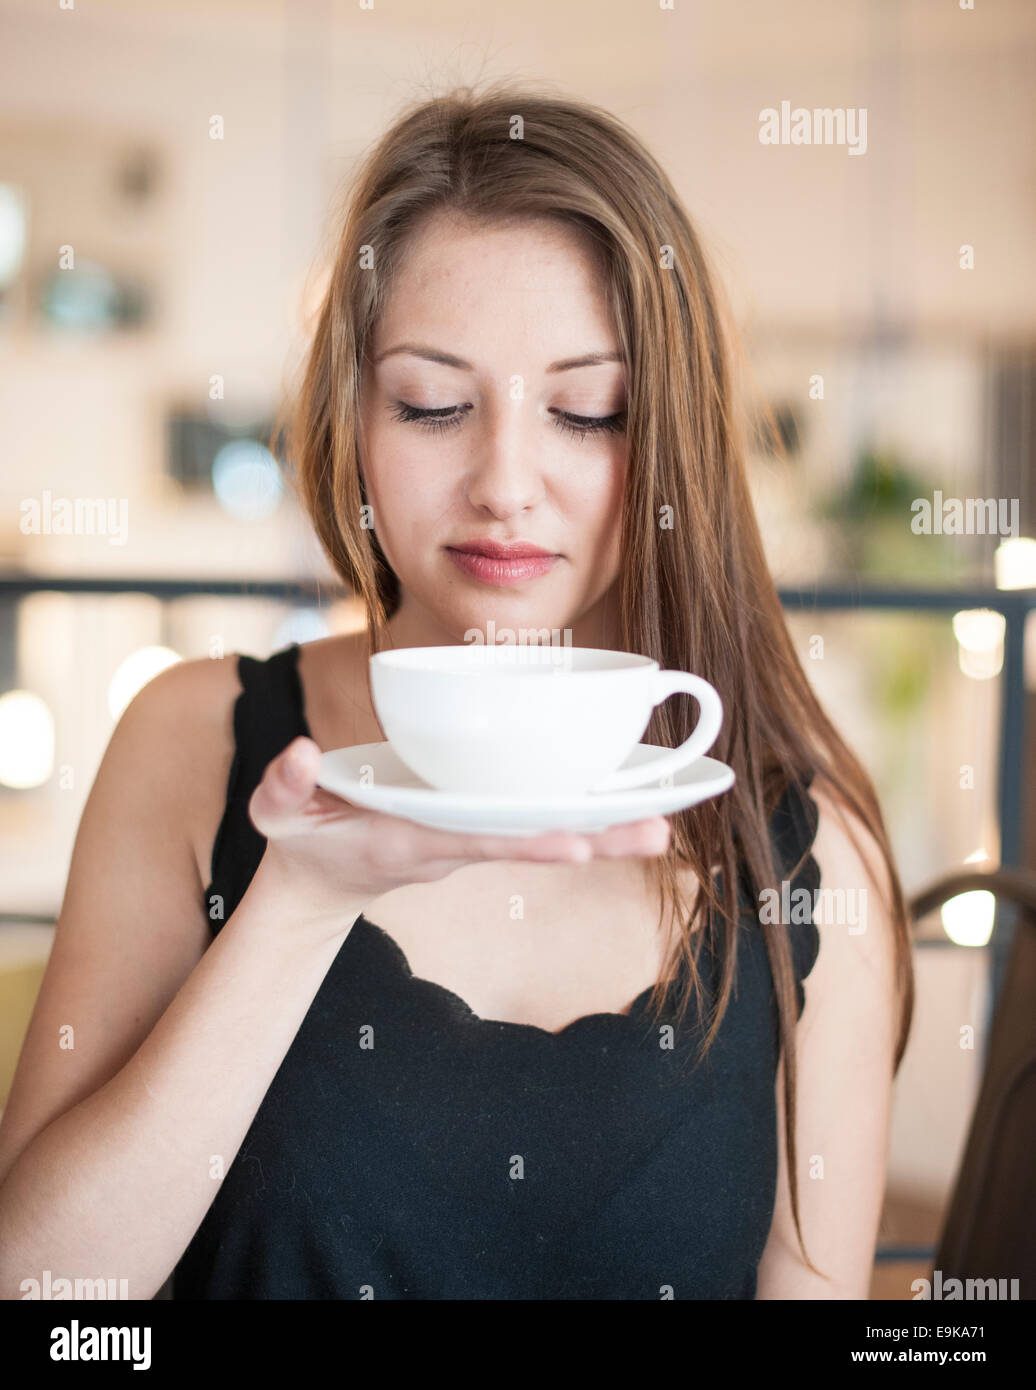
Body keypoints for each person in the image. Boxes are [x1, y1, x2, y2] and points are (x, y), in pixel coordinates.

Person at [0, 82, 913, 1301]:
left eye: (589, 412)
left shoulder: (807, 855)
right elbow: (46, 1299)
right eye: (434, 403)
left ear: (671, 440)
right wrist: (298, 905)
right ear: (356, 418)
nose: (505, 483)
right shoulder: (194, 739)